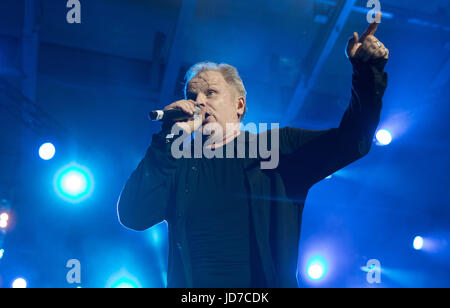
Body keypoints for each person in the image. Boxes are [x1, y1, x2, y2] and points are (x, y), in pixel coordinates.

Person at [117, 14, 389, 288]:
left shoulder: (275, 148)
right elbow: (133, 215)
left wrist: (367, 74)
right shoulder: (178, 165)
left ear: (239, 105)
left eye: (210, 93)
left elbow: (353, 140)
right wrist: (168, 137)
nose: (198, 102)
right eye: (192, 95)